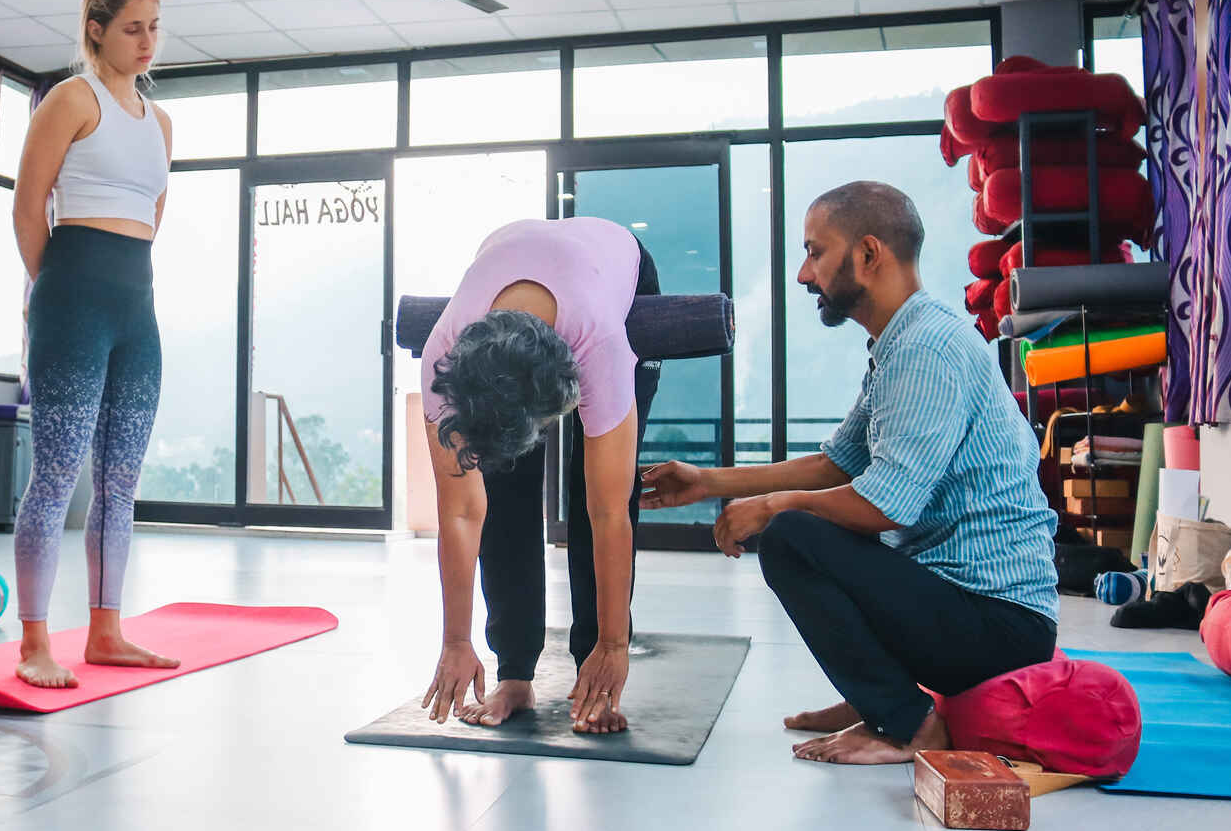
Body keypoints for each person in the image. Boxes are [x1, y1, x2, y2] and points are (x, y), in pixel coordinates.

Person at [641, 181, 1059, 765]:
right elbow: (835, 464)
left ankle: (905, 723)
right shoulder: (901, 341)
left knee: (790, 537)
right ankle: (878, 697)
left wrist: (771, 508)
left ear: (867, 254)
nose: (803, 275)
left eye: (815, 252)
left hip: (1000, 629)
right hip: (967, 610)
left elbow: (886, 507)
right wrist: (708, 481)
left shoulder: (925, 350)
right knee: (801, 524)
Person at [418, 217, 659, 735]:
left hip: (614, 260)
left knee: (591, 494)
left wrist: (615, 645)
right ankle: (515, 676)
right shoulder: (445, 360)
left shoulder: (601, 346)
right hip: (514, 248)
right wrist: (456, 641)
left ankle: (594, 672)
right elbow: (461, 510)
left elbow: (609, 512)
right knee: (502, 493)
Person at [6, 0, 178, 688]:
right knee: (55, 478)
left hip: (135, 312)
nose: (146, 42)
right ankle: (34, 642)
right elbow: (27, 206)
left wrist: (114, 294)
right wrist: (57, 292)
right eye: (132, 27)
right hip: (72, 301)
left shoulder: (161, 122)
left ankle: (107, 630)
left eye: (153, 28)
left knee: (119, 481)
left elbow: (152, 217)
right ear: (97, 29)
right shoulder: (70, 99)